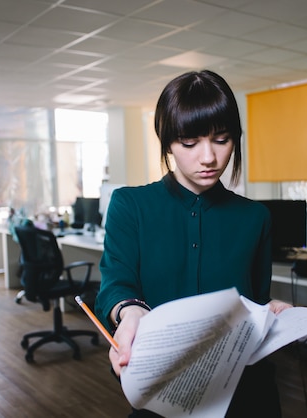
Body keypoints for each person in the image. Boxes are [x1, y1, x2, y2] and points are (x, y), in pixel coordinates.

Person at [94, 69, 292, 417]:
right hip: (163, 392)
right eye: (190, 142)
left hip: (244, 393)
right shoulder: (130, 205)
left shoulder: (255, 217)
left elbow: (254, 300)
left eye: (222, 139)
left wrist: (270, 311)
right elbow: (115, 284)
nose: (208, 158)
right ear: (168, 141)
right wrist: (130, 311)